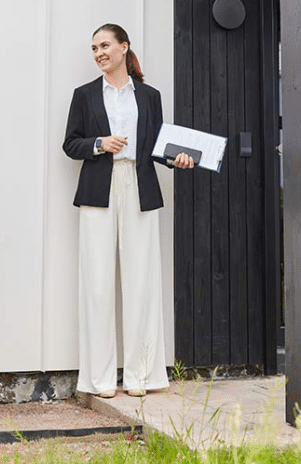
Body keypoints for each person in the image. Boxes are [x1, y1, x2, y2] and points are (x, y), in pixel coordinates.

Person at [63, 24, 194, 399]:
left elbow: (157, 146)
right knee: (97, 283)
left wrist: (178, 159)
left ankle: (140, 374)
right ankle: (100, 378)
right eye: (93, 48)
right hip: (98, 191)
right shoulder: (84, 95)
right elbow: (70, 144)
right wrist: (100, 143)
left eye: (104, 45)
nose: (98, 53)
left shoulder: (149, 96)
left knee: (142, 281)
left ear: (123, 48)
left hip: (140, 188)